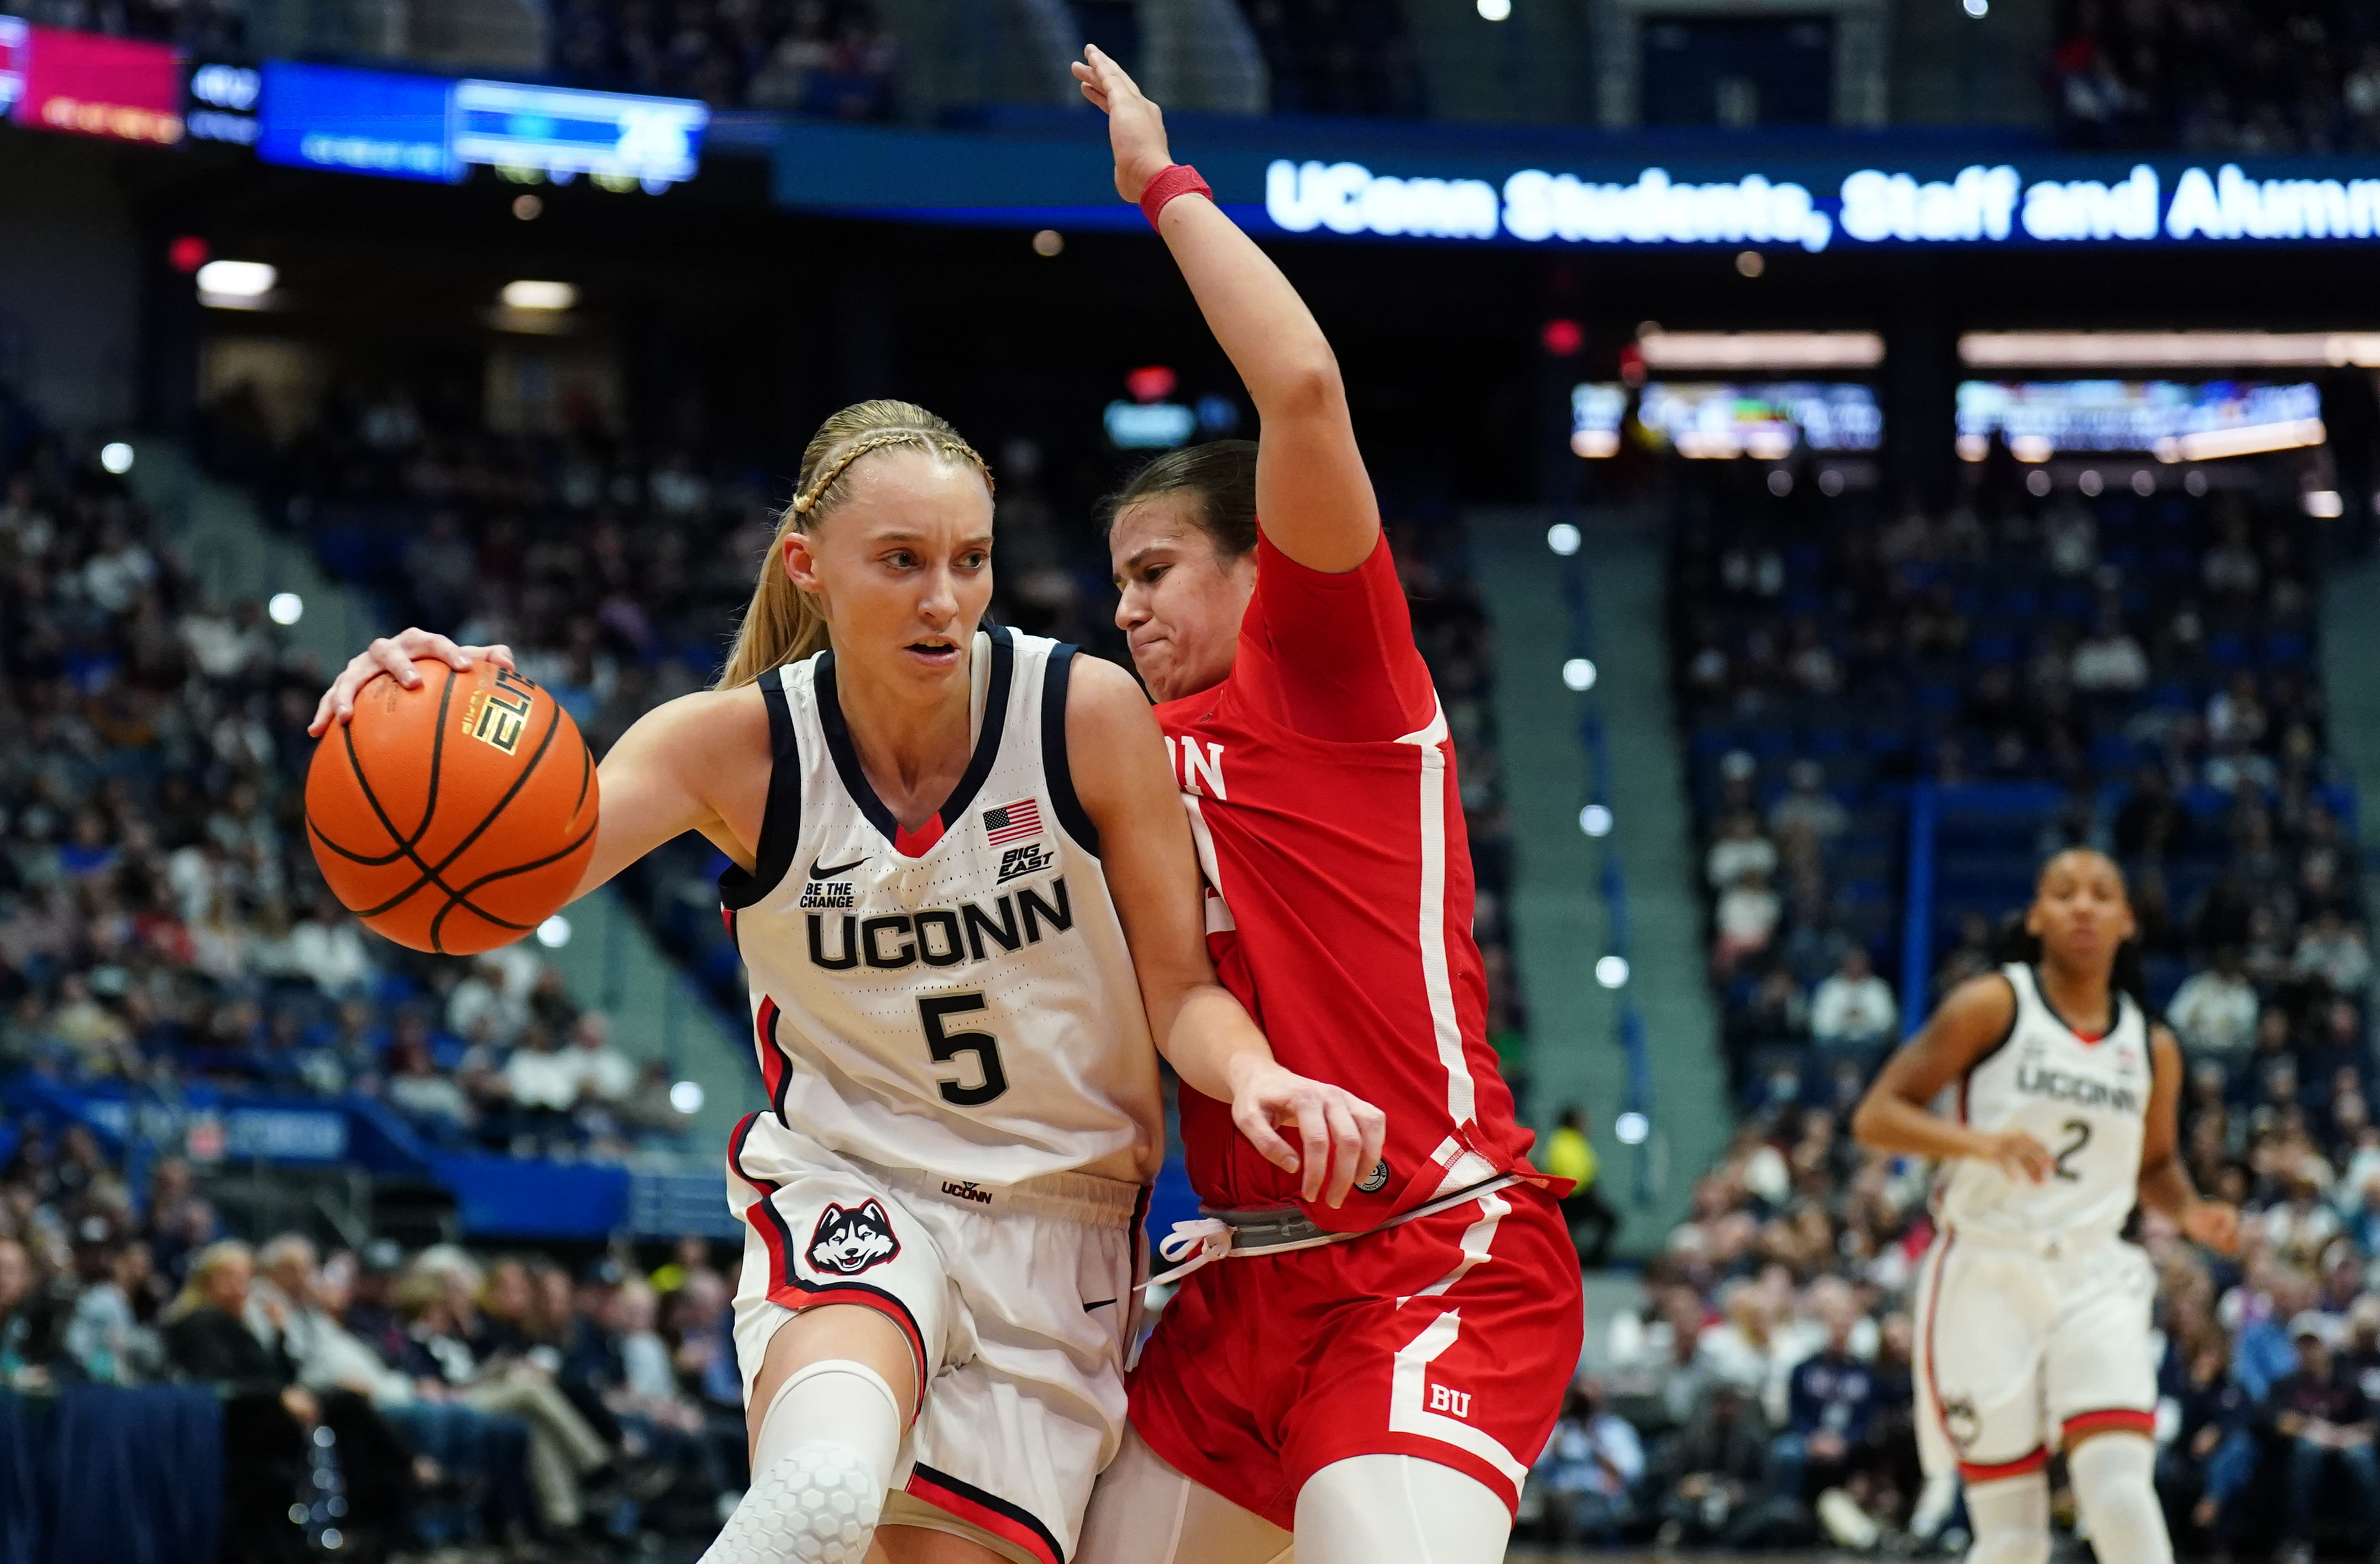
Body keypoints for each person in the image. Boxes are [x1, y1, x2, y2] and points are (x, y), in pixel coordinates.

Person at [310, 395, 1381, 1564]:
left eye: (970, 561)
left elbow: (1179, 995)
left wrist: (1257, 1073)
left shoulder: (1080, 711)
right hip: (853, 1185)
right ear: (807, 565)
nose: (944, 598)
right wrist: (425, 709)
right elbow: (493, 891)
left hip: (1059, 1234)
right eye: (903, 561)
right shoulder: (725, 747)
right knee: (822, 1487)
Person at [1067, 46, 1584, 1564]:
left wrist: (1161, 186)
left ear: (1254, 567)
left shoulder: (1329, 671)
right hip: (1235, 1287)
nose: (1128, 612)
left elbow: (1296, 384)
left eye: (1155, 572)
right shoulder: (1115, 748)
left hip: (1428, 1248)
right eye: (1113, 586)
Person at [1852, 849, 2241, 1564]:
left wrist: (2190, 1212)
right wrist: (1979, 1143)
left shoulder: (2151, 1045)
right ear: (2035, 916)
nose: (2082, 906)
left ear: (2127, 920)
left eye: (2100, 894)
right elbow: (1876, 1115)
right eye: (2063, 893)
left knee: (2119, 1486)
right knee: (2012, 1535)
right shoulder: (1991, 1004)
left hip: (2096, 1274)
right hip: (1987, 1271)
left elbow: (2153, 1164)